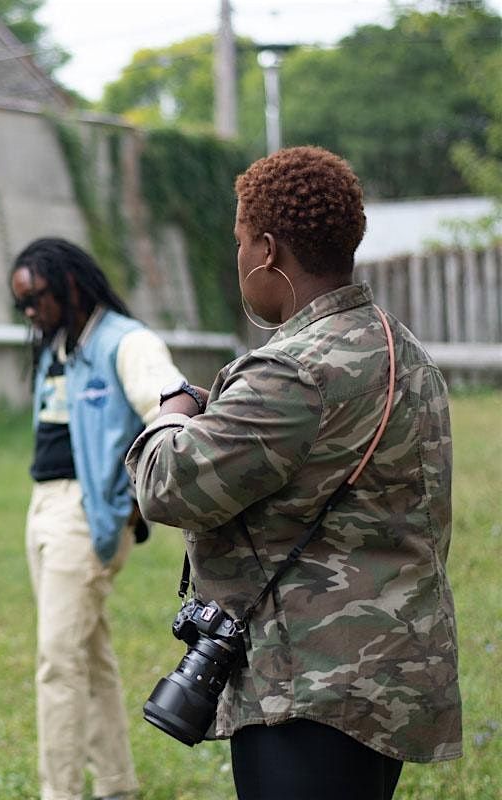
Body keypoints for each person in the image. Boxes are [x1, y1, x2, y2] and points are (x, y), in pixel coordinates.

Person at [125, 146, 460, 800]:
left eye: (241, 241)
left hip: (309, 687)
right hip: (389, 673)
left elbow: (167, 485)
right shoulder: (402, 350)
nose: (240, 258)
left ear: (269, 250)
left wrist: (170, 413)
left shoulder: (290, 371)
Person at [9, 237, 189, 800]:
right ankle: (116, 785)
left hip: (85, 518)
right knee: (88, 653)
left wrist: (134, 502)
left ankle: (59, 792)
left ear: (70, 284)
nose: (30, 312)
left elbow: (172, 408)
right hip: (43, 506)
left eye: (37, 298)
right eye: (21, 304)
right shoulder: (57, 345)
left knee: (57, 661)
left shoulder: (126, 343)